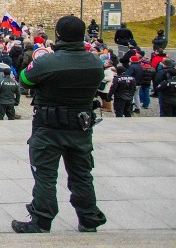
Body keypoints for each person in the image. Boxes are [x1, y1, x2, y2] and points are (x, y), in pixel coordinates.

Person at [12, 15, 107, 234]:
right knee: (82, 174)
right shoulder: (94, 62)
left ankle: (42, 219)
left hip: (49, 127)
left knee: (45, 175)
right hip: (81, 126)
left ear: (59, 35)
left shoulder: (48, 62)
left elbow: (25, 80)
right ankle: (88, 216)